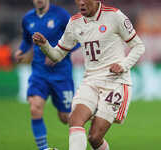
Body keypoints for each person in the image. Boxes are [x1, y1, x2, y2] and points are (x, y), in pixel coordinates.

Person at [32, 0, 145, 149]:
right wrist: (45, 46)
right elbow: (57, 55)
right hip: (90, 81)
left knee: (95, 137)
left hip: (115, 82)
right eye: (78, 0)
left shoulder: (115, 16)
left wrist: (123, 65)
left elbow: (138, 46)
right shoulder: (74, 23)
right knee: (75, 120)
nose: (81, 3)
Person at [14, 0, 80, 150]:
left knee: (66, 118)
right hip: (39, 73)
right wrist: (21, 50)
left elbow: (77, 39)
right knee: (35, 107)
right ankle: (44, 148)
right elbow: (26, 39)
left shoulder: (61, 15)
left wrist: (58, 53)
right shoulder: (28, 18)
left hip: (61, 74)